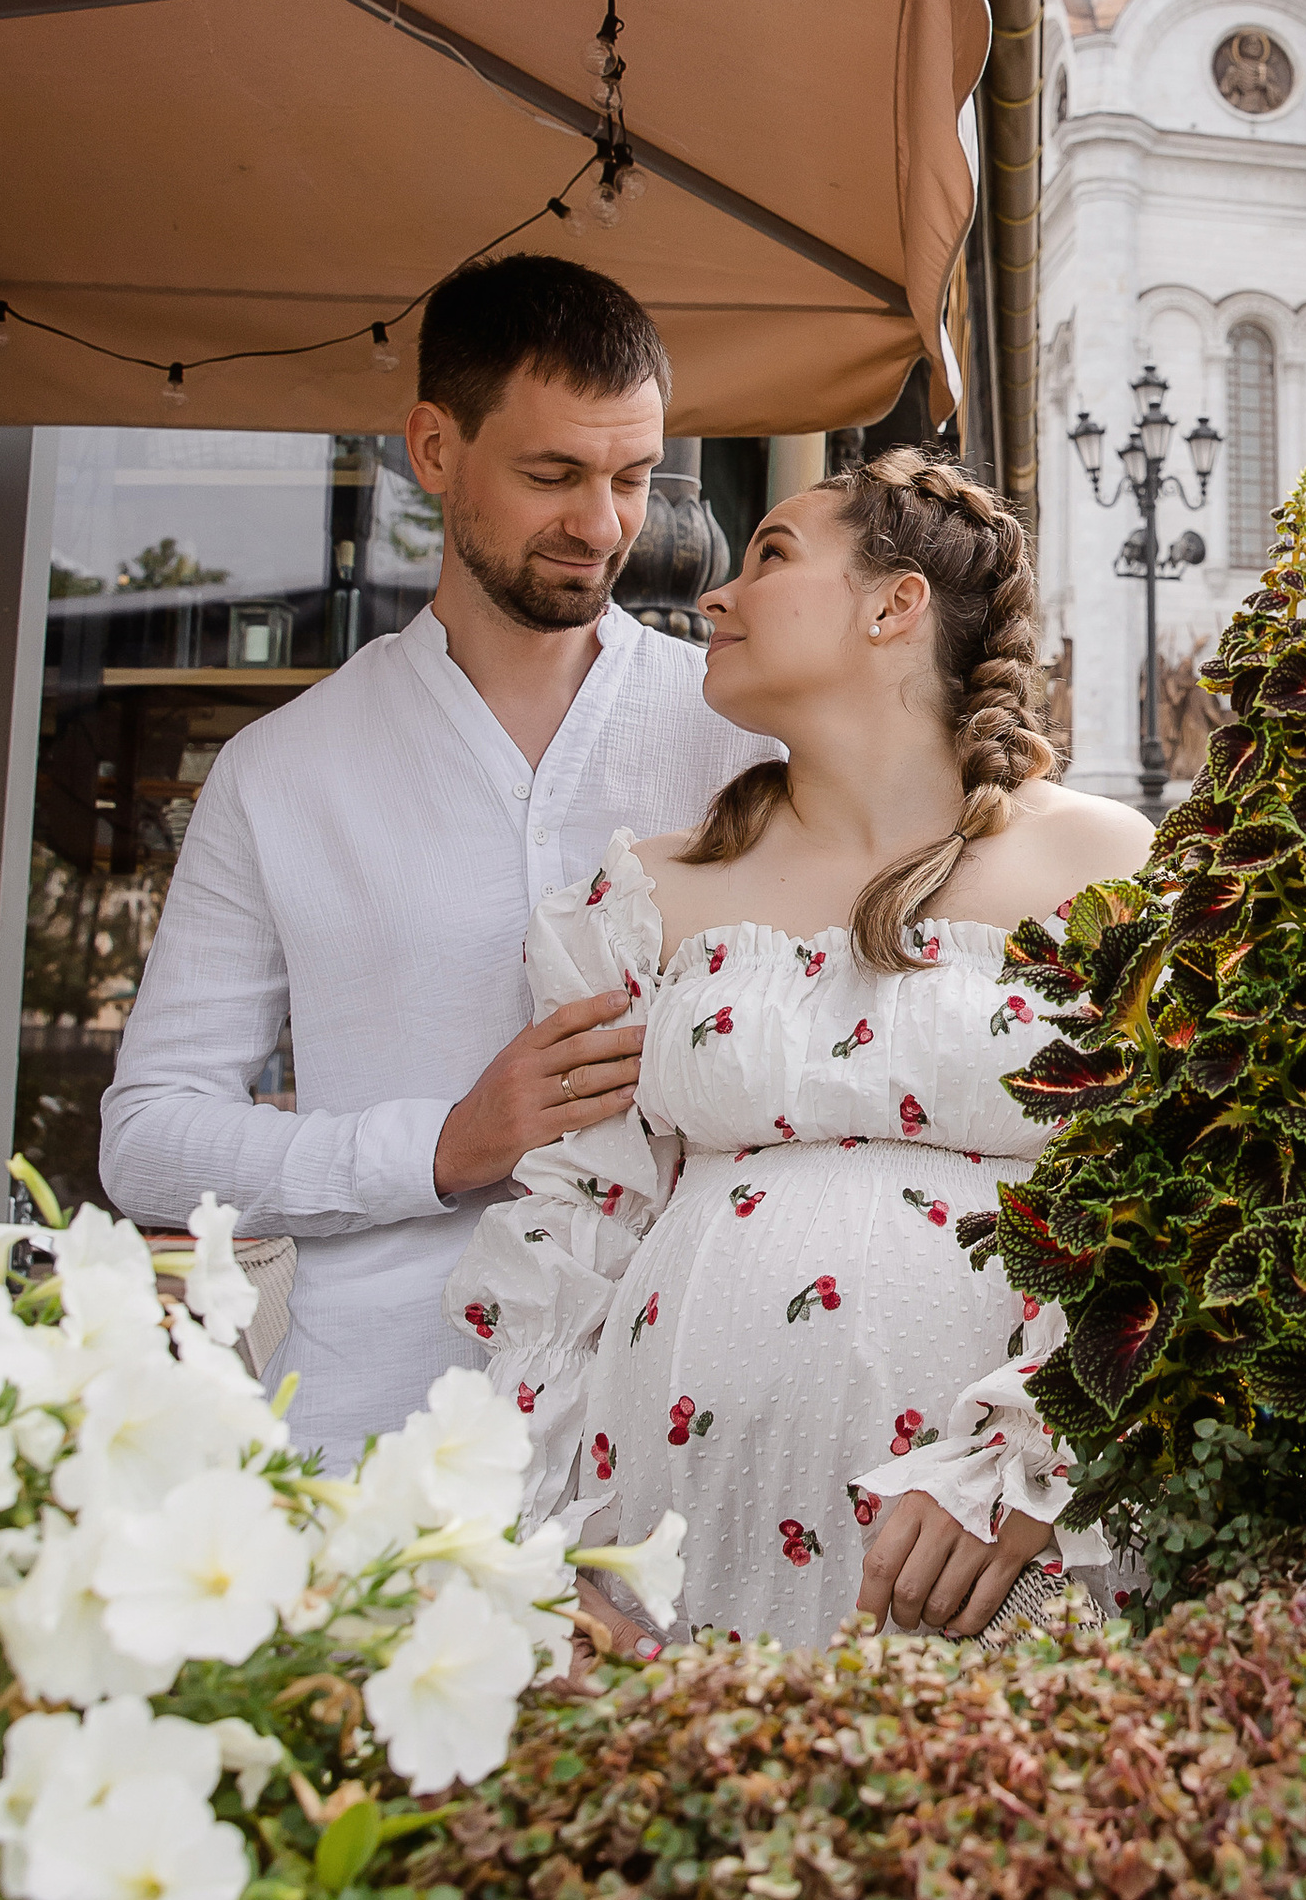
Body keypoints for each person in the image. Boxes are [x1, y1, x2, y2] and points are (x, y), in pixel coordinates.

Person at [447, 452, 1152, 1648]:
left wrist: (1038, 1462)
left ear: (894, 605)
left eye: (770, 555)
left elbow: (1174, 1196)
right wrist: (527, 1553)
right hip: (670, 1546)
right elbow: (574, 1228)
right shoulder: (644, 898)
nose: (714, 594)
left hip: (988, 1558)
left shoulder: (1105, 866)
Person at [99, 256, 779, 1466]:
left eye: (633, 478)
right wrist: (440, 1145)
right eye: (552, 475)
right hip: (378, 1443)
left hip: (691, 1436)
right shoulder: (279, 770)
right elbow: (147, 1136)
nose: (602, 525)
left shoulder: (746, 743)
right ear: (433, 449)